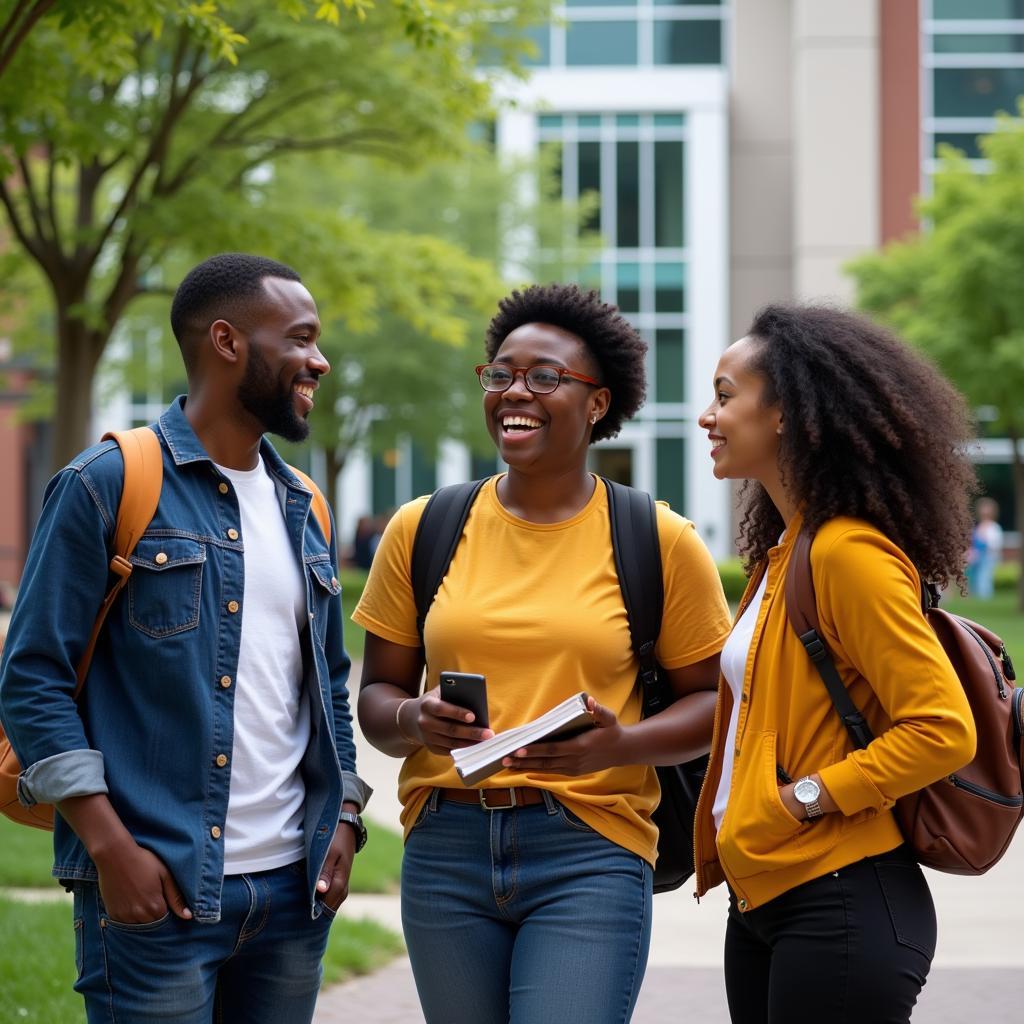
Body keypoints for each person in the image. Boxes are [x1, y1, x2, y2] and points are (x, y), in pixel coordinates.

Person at [0, 253, 371, 1024]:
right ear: (228, 341)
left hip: (292, 895)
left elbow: (326, 686)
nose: (319, 360)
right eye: (301, 339)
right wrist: (109, 849)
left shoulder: (306, 506)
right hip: (157, 891)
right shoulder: (108, 481)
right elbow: (32, 681)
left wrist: (345, 816)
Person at [353, 283, 732, 1024]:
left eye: (544, 376)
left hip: (589, 847)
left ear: (598, 403)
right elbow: (376, 703)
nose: (514, 391)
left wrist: (621, 744)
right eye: (500, 373)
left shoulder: (658, 539)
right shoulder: (421, 527)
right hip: (445, 847)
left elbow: (716, 704)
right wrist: (415, 717)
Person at [694, 304, 978, 1024]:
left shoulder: (847, 554)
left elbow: (943, 730)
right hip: (765, 897)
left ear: (785, 412)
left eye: (726, 395)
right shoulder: (785, 554)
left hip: (840, 898)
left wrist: (804, 799)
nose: (707, 416)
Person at [967, 497, 1003, 599]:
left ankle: (984, 597)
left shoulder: (993, 527)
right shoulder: (978, 526)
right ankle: (976, 596)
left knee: (984, 577)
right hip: (976, 557)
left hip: (988, 556)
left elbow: (995, 544)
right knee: (974, 578)